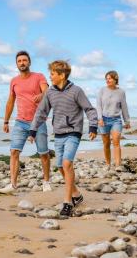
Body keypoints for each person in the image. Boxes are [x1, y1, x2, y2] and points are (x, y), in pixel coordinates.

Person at [28, 60, 97, 217]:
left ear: (62, 75)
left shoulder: (76, 91)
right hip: (58, 134)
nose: (50, 76)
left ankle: (67, 203)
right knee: (60, 166)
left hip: (73, 132)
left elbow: (89, 109)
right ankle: (76, 195)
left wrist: (93, 126)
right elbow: (41, 112)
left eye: (52, 73)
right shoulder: (50, 92)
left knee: (67, 164)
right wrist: (32, 130)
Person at [0, 51, 51, 194]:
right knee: (14, 151)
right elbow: (10, 101)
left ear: (29, 62)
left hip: (38, 122)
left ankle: (46, 181)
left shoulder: (39, 76)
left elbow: (48, 90)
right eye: (19, 61)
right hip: (20, 122)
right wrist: (6, 121)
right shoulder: (14, 81)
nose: (22, 63)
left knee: (43, 153)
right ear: (16, 64)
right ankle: (13, 184)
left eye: (24, 60)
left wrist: (41, 95)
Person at [96, 70, 130, 170]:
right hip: (104, 120)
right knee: (106, 143)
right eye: (106, 79)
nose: (108, 80)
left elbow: (124, 107)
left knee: (116, 142)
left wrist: (127, 121)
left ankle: (118, 165)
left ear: (115, 79)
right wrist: (99, 118)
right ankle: (107, 164)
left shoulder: (121, 92)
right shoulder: (102, 90)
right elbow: (98, 105)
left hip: (116, 120)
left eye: (110, 78)